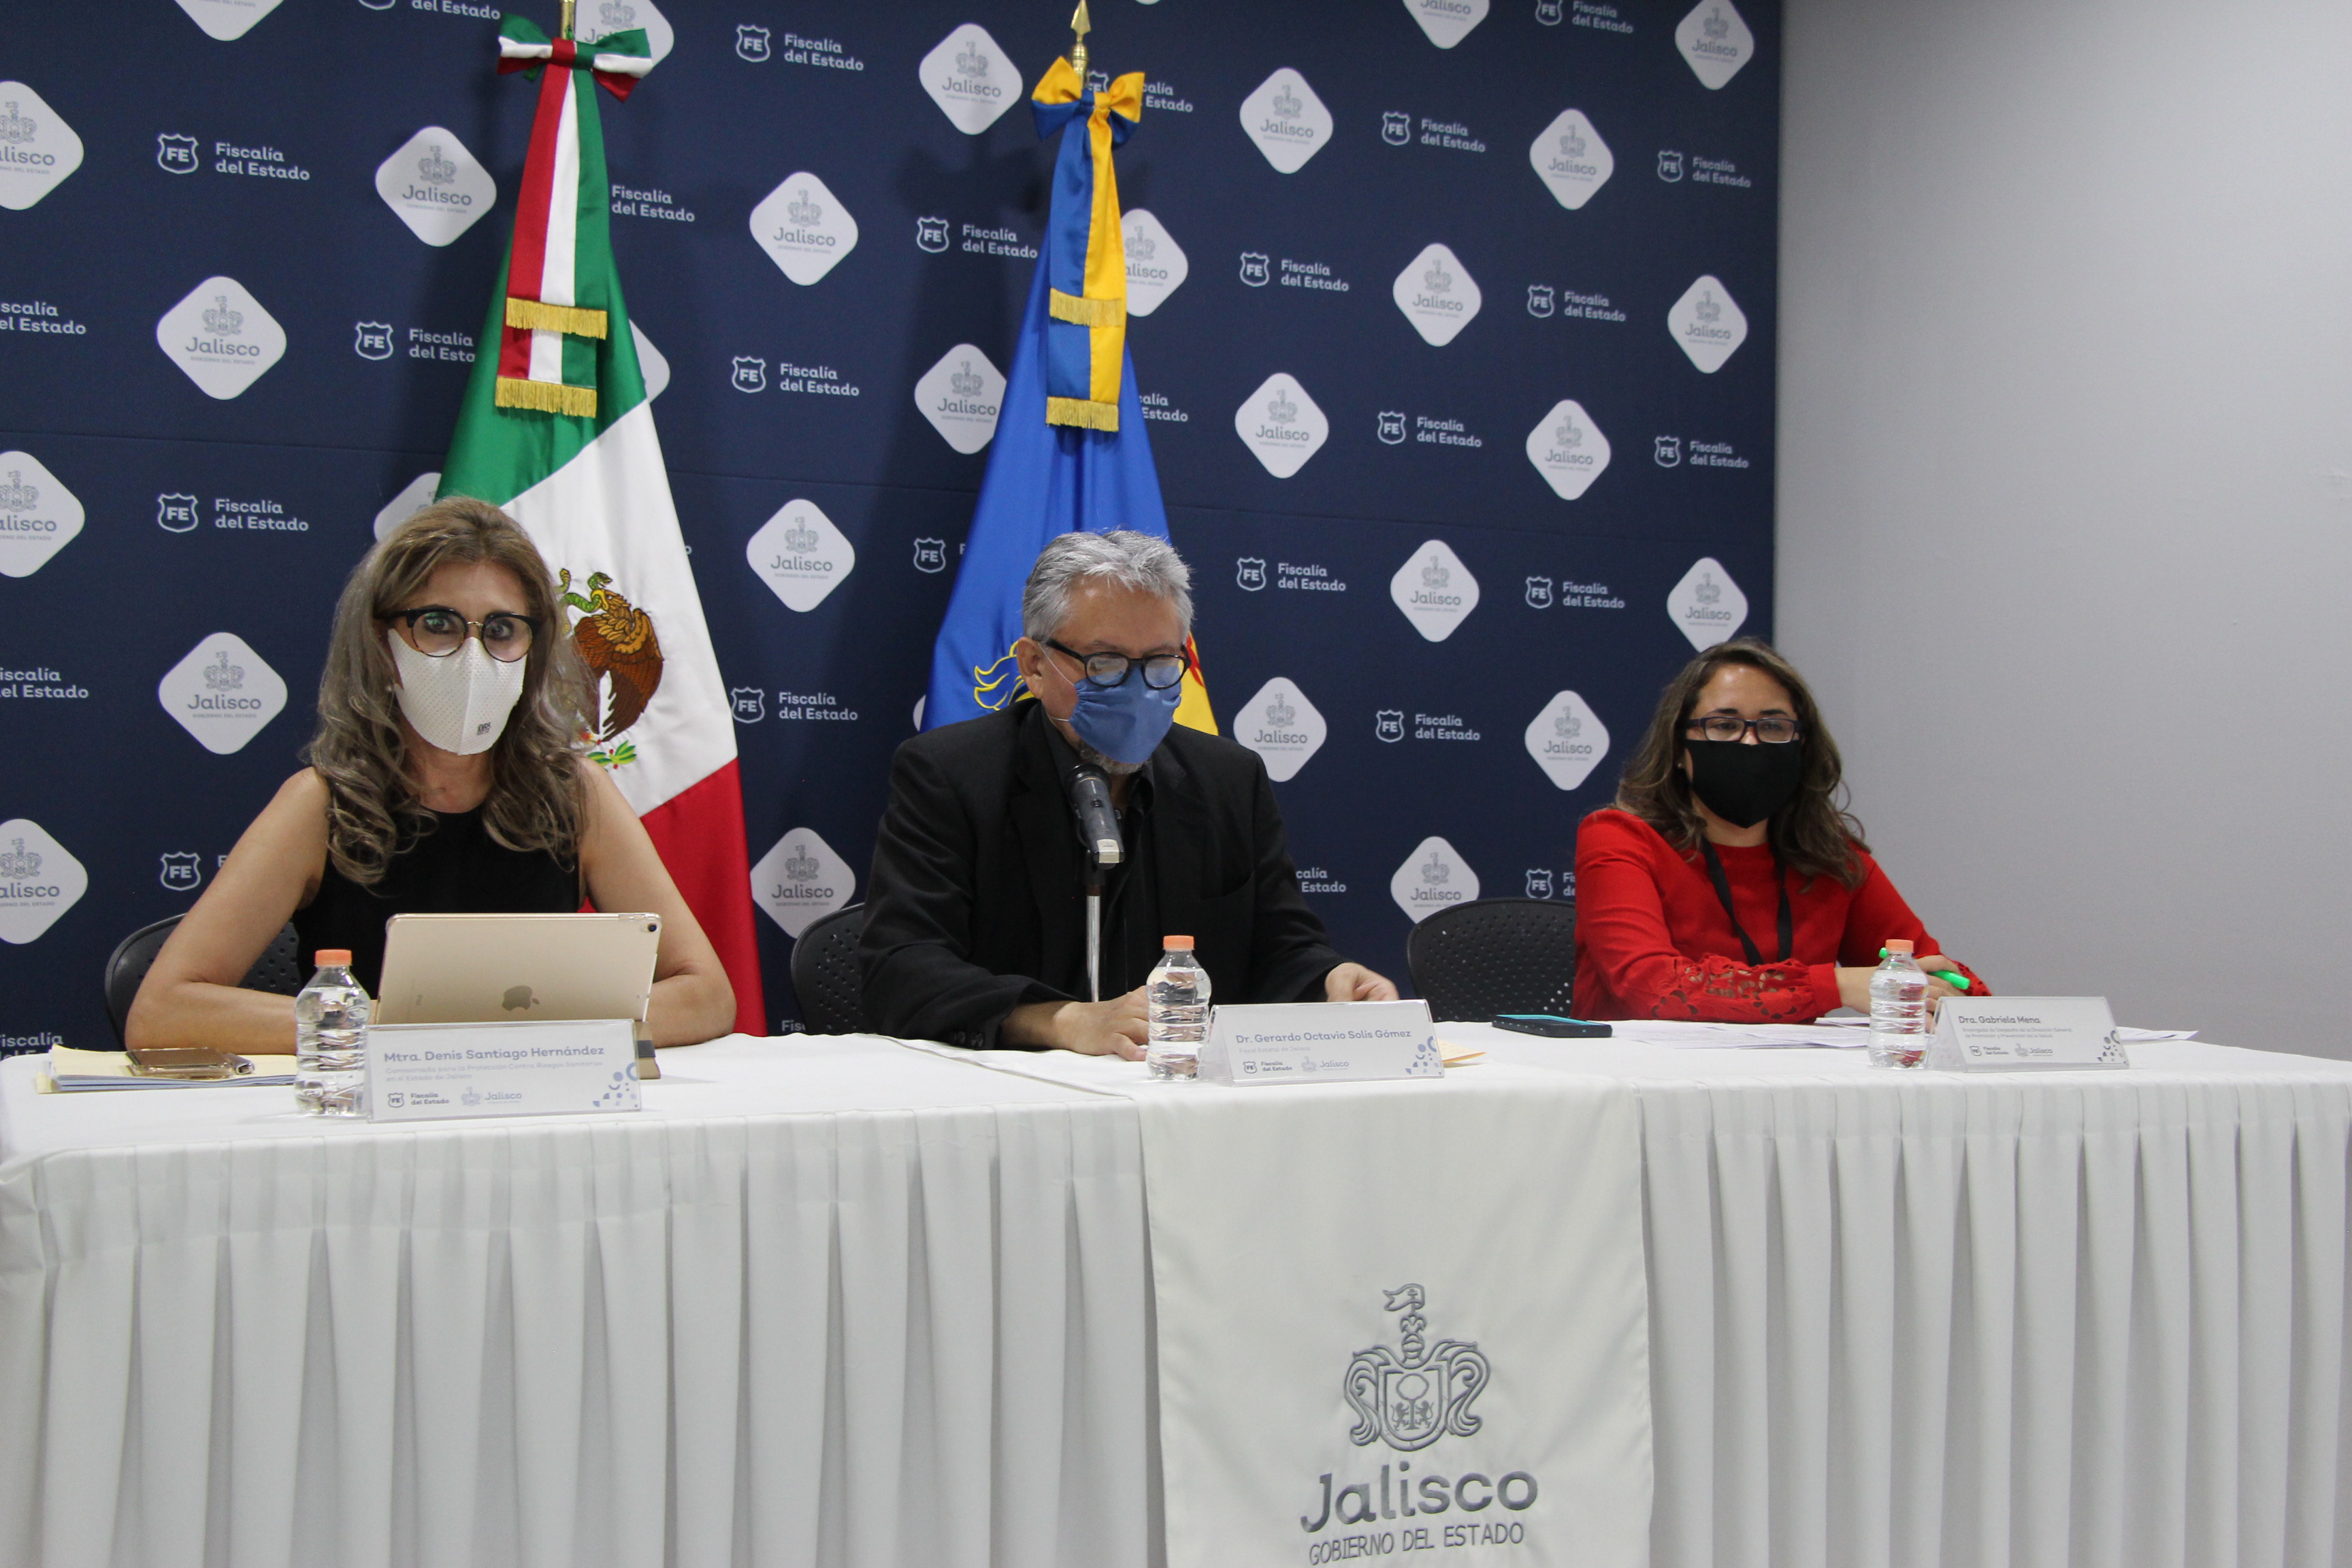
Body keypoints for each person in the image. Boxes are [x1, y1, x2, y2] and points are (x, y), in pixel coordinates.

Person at [127, 498, 736, 1052]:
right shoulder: (321, 805)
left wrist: (537, 1031)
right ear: (381, 642)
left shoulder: (574, 794)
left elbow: (705, 995)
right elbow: (163, 1012)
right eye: (439, 624)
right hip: (376, 1111)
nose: (473, 657)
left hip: (535, 1109)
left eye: (501, 630)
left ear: (533, 648)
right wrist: (409, 1030)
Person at [861, 530, 1396, 1056]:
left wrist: (1330, 979)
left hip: (1182, 1087)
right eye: (1106, 663)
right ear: (1034, 666)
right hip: (1014, 1090)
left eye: (1161, 663)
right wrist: (1061, 1021)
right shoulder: (951, 773)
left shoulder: (1229, 779)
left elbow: (1281, 947)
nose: (1138, 689)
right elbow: (902, 967)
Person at [1573, 636, 1985, 1022]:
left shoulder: (1830, 858)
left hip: (1787, 1073)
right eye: (1724, 725)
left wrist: (1955, 997)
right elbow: (1653, 988)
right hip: (1643, 1071)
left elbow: (1932, 971)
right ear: (1679, 747)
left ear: (1801, 747)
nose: (1750, 744)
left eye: (1773, 727)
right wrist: (1838, 986)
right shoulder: (1620, 838)